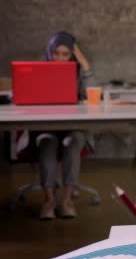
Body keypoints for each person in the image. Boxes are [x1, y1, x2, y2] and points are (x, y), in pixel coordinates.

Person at [33, 30, 96, 220]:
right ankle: (48, 200)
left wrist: (84, 65)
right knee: (47, 141)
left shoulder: (79, 72)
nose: (60, 58)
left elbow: (94, 94)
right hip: (46, 126)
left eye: (66, 54)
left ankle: (67, 200)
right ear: (49, 52)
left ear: (73, 55)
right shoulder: (38, 70)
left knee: (73, 141)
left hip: (73, 126)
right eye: (56, 53)